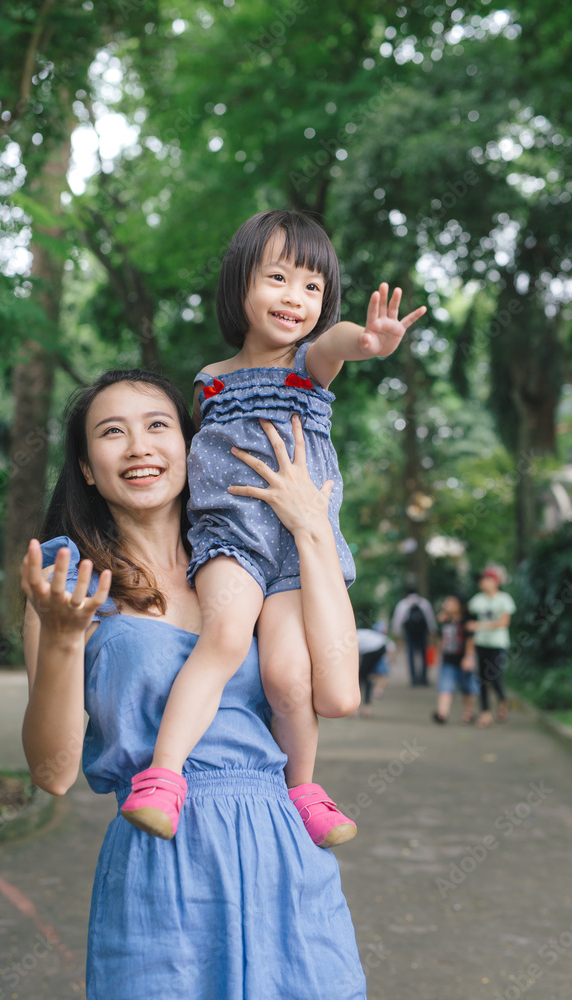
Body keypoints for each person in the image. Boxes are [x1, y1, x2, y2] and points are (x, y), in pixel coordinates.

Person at [21, 368, 368, 999]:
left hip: (281, 847)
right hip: (162, 854)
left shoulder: (250, 564)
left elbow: (338, 691)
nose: (139, 447)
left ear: (192, 445)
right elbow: (53, 772)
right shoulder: (66, 577)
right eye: (112, 433)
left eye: (158, 426)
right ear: (89, 469)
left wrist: (311, 527)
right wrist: (66, 637)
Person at [121, 209, 427, 842]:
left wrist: (368, 342)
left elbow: (340, 339)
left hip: (294, 549)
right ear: (241, 287)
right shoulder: (209, 380)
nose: (295, 297)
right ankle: (163, 776)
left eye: (312, 287)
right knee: (227, 637)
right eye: (279, 278)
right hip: (231, 536)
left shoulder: (308, 362)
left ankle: (305, 788)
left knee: (289, 674)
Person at [466, 567, 516, 728]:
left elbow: (504, 622)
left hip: (498, 644)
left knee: (494, 676)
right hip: (481, 643)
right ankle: (485, 713)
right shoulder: (476, 600)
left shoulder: (504, 599)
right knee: (482, 678)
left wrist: (479, 625)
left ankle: (502, 700)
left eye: (486, 579)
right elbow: (468, 621)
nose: (482, 582)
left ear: (495, 581)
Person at [431, 595, 479, 724]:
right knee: (445, 686)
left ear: (460, 606)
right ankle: (442, 713)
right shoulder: (445, 621)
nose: (447, 605)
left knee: (467, 688)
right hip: (448, 660)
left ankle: (469, 712)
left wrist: (469, 657)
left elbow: (470, 640)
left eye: (451, 602)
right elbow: (441, 639)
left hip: (464, 659)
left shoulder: (467, 622)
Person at [391, 588, 437, 686]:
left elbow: (397, 620)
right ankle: (423, 678)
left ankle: (413, 679)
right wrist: (432, 632)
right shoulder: (424, 602)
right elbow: (430, 618)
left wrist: (397, 634)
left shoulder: (403, 604)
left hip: (410, 634)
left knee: (410, 656)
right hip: (422, 633)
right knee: (424, 655)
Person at [355, 627, 388, 717]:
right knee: (365, 676)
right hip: (380, 646)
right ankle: (366, 706)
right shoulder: (354, 635)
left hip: (375, 648)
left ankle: (361, 708)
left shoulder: (351, 639)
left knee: (361, 677)